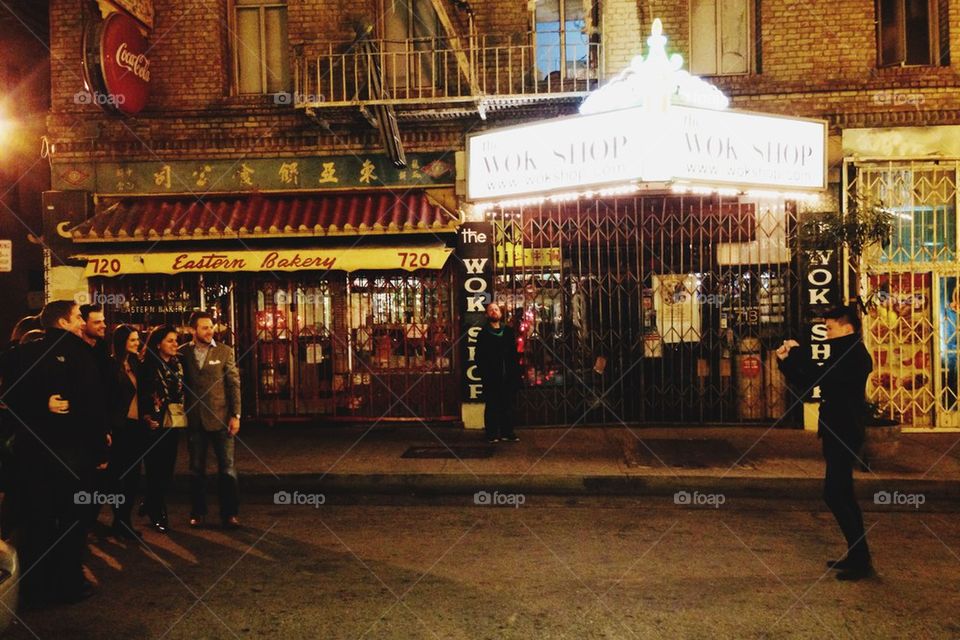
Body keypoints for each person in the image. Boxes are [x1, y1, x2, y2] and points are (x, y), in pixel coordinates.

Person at [5, 301, 109, 605]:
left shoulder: (23, 354)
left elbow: (9, 396)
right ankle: (68, 584)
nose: (81, 321)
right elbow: (93, 407)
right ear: (63, 322)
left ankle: (34, 588)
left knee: (38, 521)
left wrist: (40, 405)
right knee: (71, 523)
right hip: (72, 456)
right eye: (77, 316)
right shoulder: (80, 354)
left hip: (34, 456)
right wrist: (101, 450)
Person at [777, 304, 875, 581]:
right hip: (837, 430)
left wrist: (795, 354)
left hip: (844, 432)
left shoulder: (853, 355)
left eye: (830, 327)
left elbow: (820, 378)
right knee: (841, 493)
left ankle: (861, 558)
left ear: (846, 327)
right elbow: (812, 382)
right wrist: (787, 361)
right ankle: (859, 556)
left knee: (835, 493)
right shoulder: (844, 351)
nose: (826, 332)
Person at [180, 312, 242, 530]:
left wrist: (236, 415)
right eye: (204, 327)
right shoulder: (183, 353)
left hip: (221, 419)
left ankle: (230, 513)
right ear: (192, 330)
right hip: (195, 420)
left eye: (211, 327)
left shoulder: (225, 352)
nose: (209, 331)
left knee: (227, 469)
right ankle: (197, 512)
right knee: (196, 469)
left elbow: (233, 384)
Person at [138, 325, 185, 534]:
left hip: (173, 420)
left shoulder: (177, 364)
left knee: (167, 469)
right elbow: (141, 393)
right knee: (155, 469)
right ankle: (158, 511)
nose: (175, 344)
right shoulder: (147, 365)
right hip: (153, 423)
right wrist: (146, 416)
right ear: (158, 344)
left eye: (176, 340)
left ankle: (149, 501)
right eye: (170, 341)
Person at [79, 304, 114, 537]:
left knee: (101, 475)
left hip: (103, 422)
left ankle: (89, 519)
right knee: (85, 476)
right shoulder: (76, 351)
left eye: (103, 321)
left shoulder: (102, 349)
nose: (103, 325)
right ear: (84, 325)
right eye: (97, 322)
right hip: (82, 426)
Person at [107, 325, 145, 539]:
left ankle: (124, 518)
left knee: (132, 475)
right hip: (120, 427)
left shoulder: (136, 364)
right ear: (122, 342)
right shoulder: (111, 367)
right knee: (116, 474)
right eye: (132, 340)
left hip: (136, 426)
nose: (137, 343)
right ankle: (119, 519)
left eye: (137, 339)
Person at [476, 302, 522, 444]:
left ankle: (507, 432)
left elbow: (514, 354)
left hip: (507, 375)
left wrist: (515, 373)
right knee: (492, 405)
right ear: (487, 314)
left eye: (496, 309)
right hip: (491, 376)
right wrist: (484, 373)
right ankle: (492, 433)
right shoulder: (483, 333)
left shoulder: (507, 331)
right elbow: (479, 356)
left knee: (507, 404)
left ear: (500, 313)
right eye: (491, 310)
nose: (494, 312)